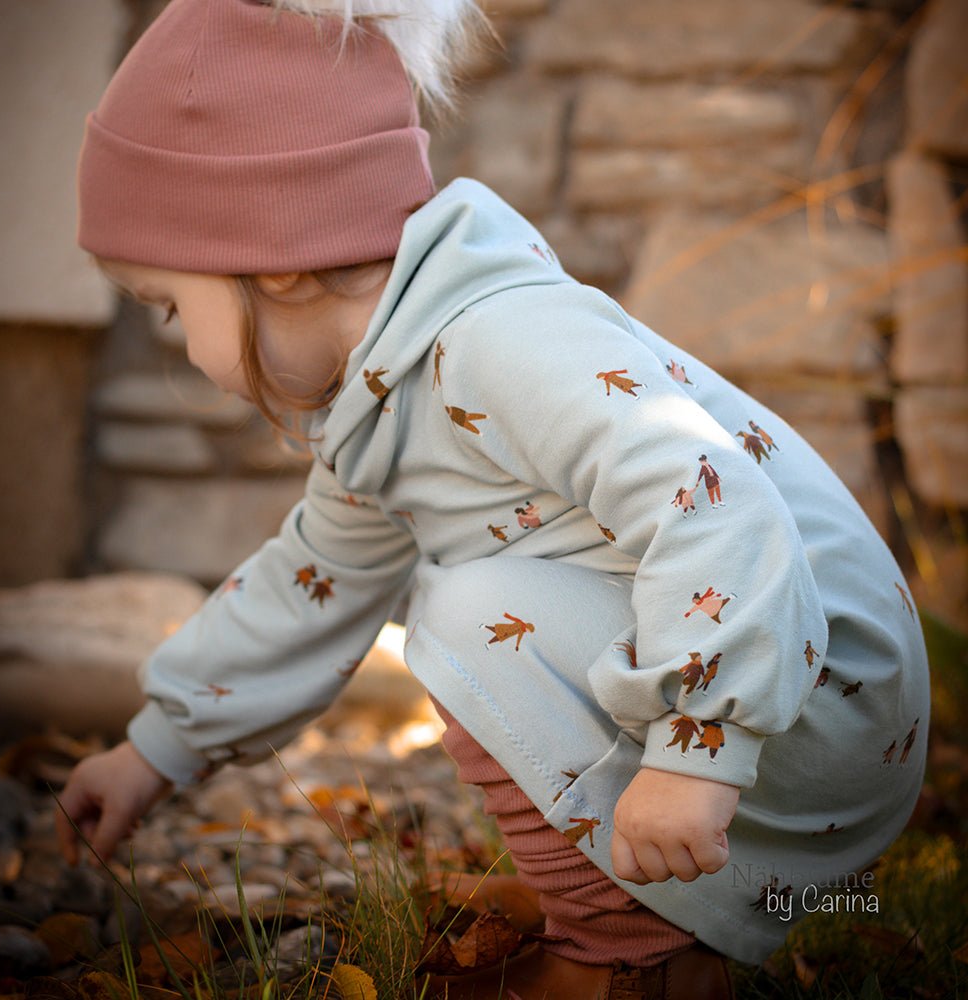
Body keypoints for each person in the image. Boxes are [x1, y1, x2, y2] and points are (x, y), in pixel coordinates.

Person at [55, 1, 930, 997]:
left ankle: (623, 959)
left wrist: (699, 750)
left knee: (463, 611)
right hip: (771, 688)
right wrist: (155, 748)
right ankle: (611, 904)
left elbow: (709, 494)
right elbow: (316, 577)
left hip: (823, 688)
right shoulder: (386, 398)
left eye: (172, 306)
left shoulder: (501, 342)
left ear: (276, 254)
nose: (180, 347)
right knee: (457, 594)